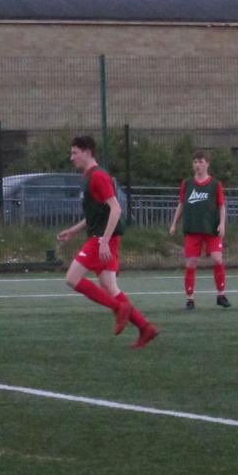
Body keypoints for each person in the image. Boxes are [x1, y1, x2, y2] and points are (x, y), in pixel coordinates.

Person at [57, 135, 158, 349]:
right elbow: (97, 214)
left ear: (87, 152)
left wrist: (103, 240)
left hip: (101, 239)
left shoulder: (98, 176)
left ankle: (119, 308)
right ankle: (145, 328)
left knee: (72, 278)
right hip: (104, 238)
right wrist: (73, 231)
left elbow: (116, 209)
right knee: (109, 286)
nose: (72, 157)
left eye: (75, 153)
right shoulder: (90, 176)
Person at [168, 150, 230, 310]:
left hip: (211, 229)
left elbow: (221, 205)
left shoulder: (215, 184)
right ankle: (190, 299)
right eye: (195, 162)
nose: (197, 165)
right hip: (192, 228)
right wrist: (174, 223)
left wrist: (222, 224)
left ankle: (221, 295)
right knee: (191, 262)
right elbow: (181, 204)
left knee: (217, 258)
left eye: (201, 162)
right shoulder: (187, 183)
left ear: (207, 164)